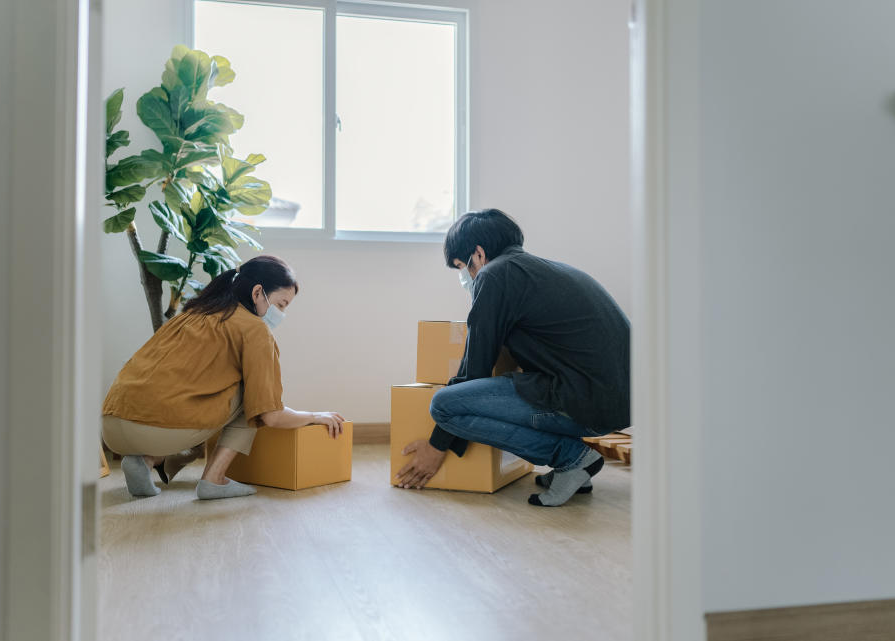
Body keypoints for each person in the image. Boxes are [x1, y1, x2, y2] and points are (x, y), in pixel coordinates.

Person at [394, 209, 630, 506]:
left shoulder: (495, 275)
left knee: (444, 405)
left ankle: (572, 458)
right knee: (504, 389)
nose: (465, 277)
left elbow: (473, 372)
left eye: (460, 266)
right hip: (617, 405)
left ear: (477, 254)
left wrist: (437, 445)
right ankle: (573, 462)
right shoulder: (541, 271)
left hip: (589, 404)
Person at [102, 255, 345, 500]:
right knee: (252, 397)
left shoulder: (195, 312)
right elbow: (270, 415)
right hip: (158, 429)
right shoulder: (254, 329)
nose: (281, 313)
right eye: (281, 305)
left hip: (111, 425)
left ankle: (146, 461)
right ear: (258, 292)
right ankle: (214, 479)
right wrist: (315, 416)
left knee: (200, 393)